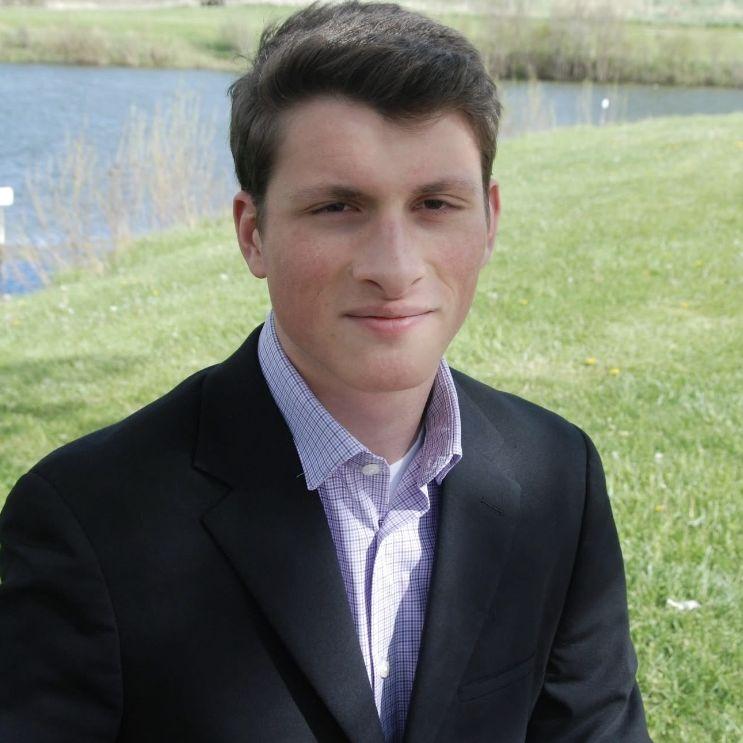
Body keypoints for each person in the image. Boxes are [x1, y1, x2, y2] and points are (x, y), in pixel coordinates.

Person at [0, 2, 651, 741]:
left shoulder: (558, 474)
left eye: (436, 204)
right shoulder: (90, 517)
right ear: (253, 234)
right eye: (338, 206)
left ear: (490, 221)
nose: (394, 268)